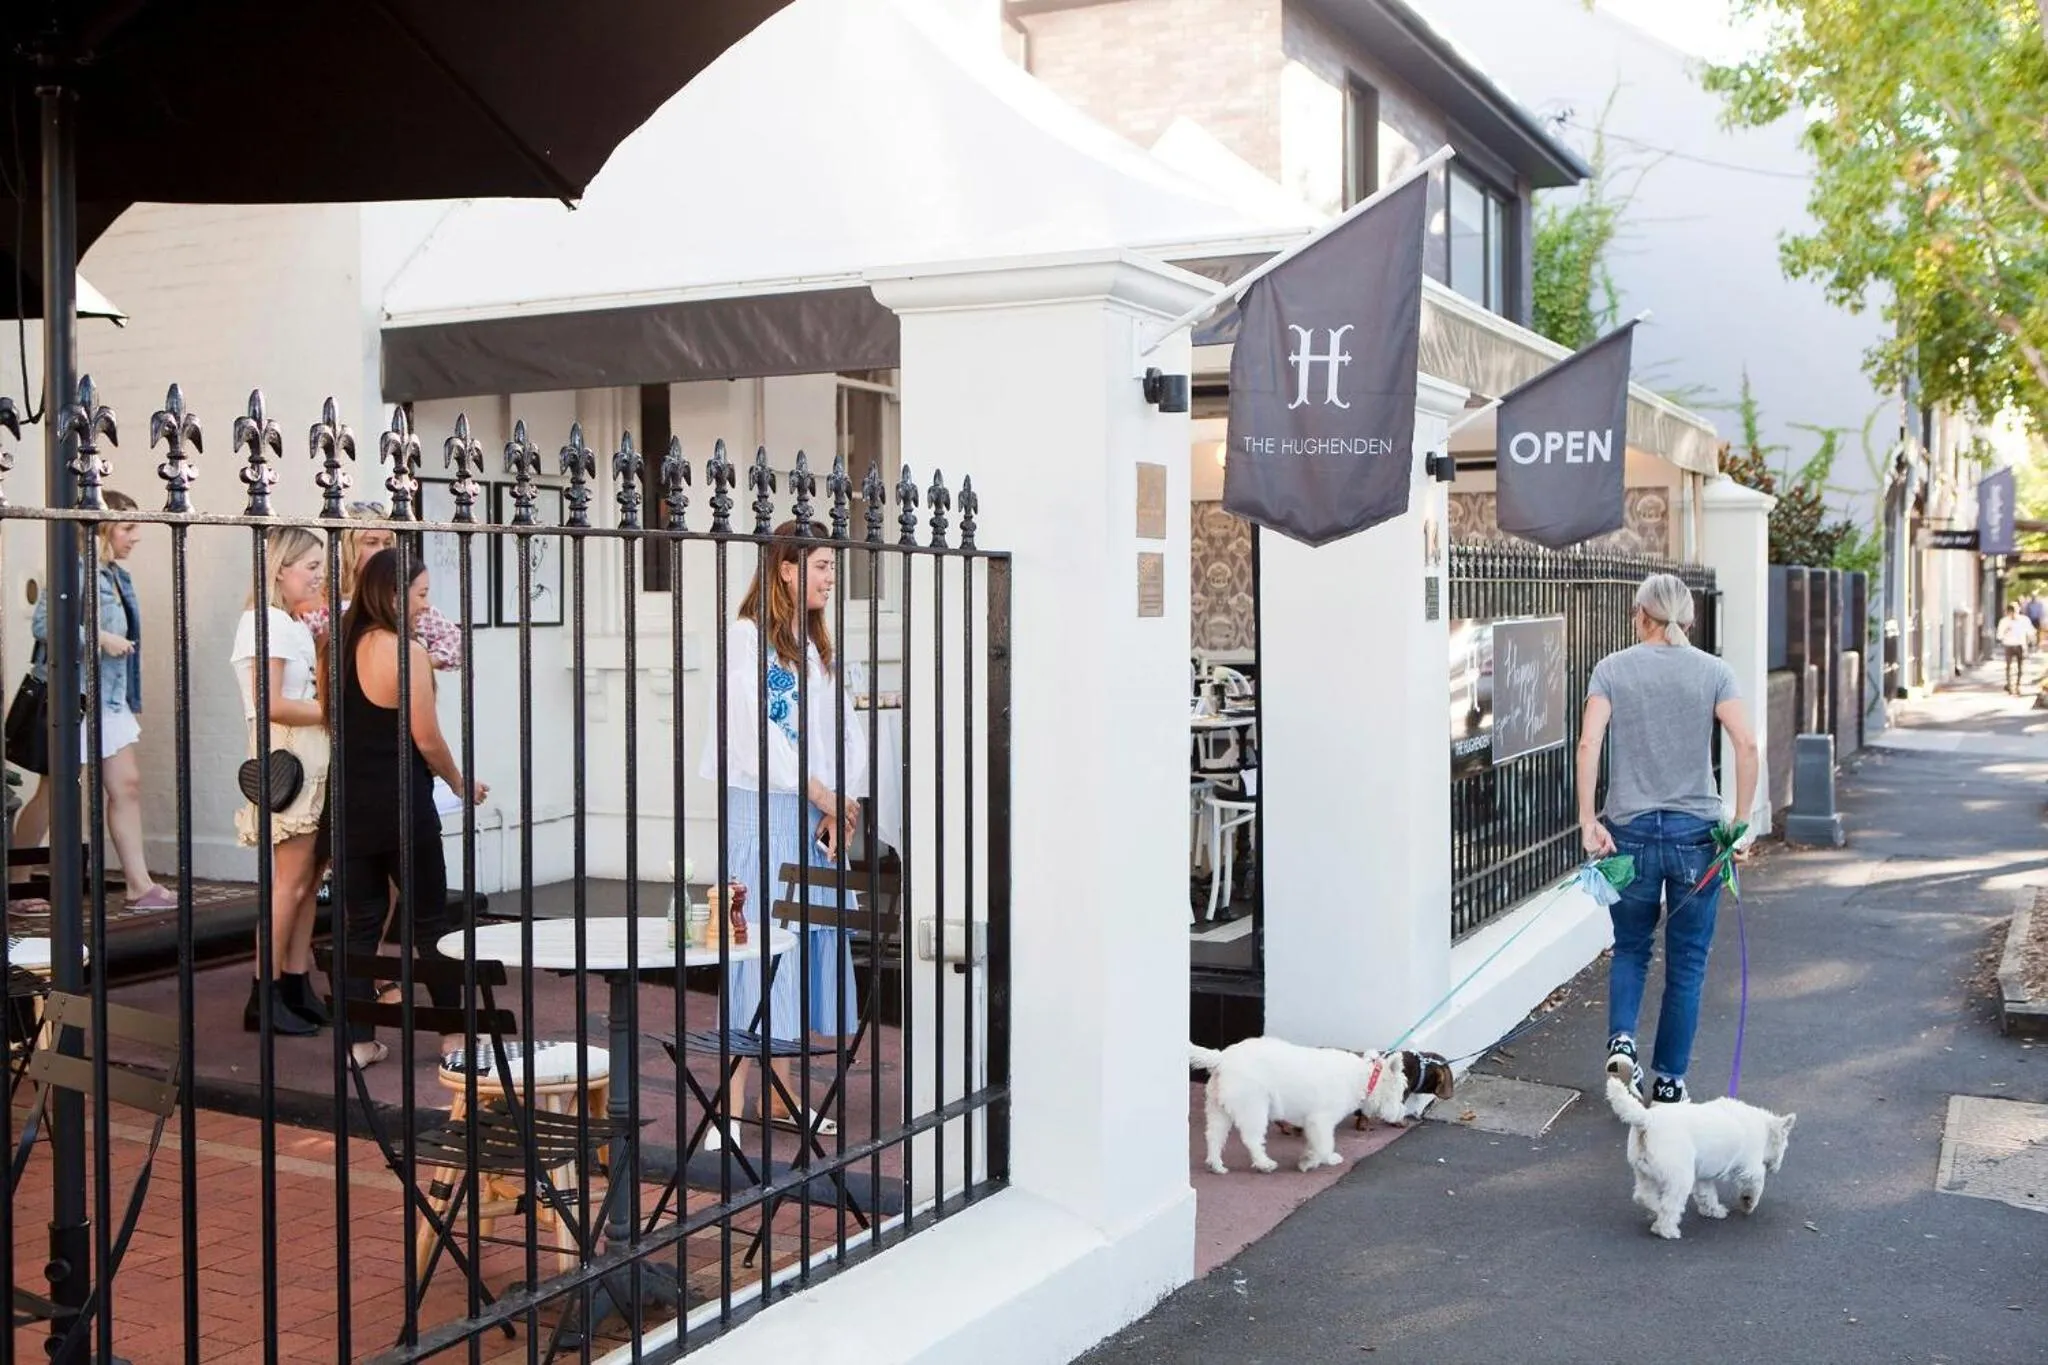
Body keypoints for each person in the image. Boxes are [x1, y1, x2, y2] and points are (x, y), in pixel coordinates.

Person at [700, 523, 866, 1141]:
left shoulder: (816, 644)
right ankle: (730, 1105)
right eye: (822, 566)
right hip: (763, 807)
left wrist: (840, 802)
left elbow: (841, 728)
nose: (830, 578)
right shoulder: (748, 637)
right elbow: (751, 731)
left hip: (811, 811)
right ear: (788, 570)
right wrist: (818, 792)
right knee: (755, 950)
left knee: (796, 947)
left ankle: (781, 1094)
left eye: (832, 568)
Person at [1578, 573, 1760, 1106]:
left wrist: (1588, 820)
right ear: (1688, 619)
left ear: (1641, 615)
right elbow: (1746, 744)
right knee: (1688, 961)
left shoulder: (1612, 668)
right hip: (1695, 836)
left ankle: (1622, 1041)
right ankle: (1670, 1082)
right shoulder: (1715, 672)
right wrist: (1741, 822)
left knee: (1631, 947)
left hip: (1629, 833)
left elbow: (1589, 742)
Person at [336, 547, 487, 1068]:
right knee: (429, 922)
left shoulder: (336, 644)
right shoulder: (407, 652)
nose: (426, 605)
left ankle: (358, 1041)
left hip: (350, 799)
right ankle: (454, 1035)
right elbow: (425, 737)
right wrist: (459, 782)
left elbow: (334, 720)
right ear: (394, 594)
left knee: (360, 925)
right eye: (421, 594)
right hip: (401, 802)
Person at [18, 490, 177, 909]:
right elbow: (44, 625)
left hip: (109, 699)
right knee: (55, 792)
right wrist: (99, 638)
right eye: (127, 528)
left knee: (127, 785)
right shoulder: (74, 568)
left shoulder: (116, 575)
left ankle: (139, 884)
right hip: (76, 696)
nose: (136, 536)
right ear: (101, 530)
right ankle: (17, 884)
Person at [230, 527, 334, 1035]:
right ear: (279, 569)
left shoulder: (288, 622)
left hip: (310, 756)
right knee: (289, 882)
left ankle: (296, 982)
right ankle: (264, 992)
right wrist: (332, 711)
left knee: (310, 880)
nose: (319, 575)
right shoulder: (264, 622)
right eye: (310, 566)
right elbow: (269, 702)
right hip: (289, 759)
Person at [1997, 602, 2035, 696]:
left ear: (2018, 610)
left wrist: (2032, 643)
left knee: (2020, 667)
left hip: (2020, 645)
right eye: (2011, 611)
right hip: (2008, 645)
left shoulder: (2024, 620)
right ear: (2008, 612)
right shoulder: (2004, 621)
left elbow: (2030, 632)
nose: (2013, 613)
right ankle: (2010, 685)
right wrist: (2005, 631)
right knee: (2008, 667)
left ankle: (2018, 685)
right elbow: (1999, 635)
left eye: (2015, 611)